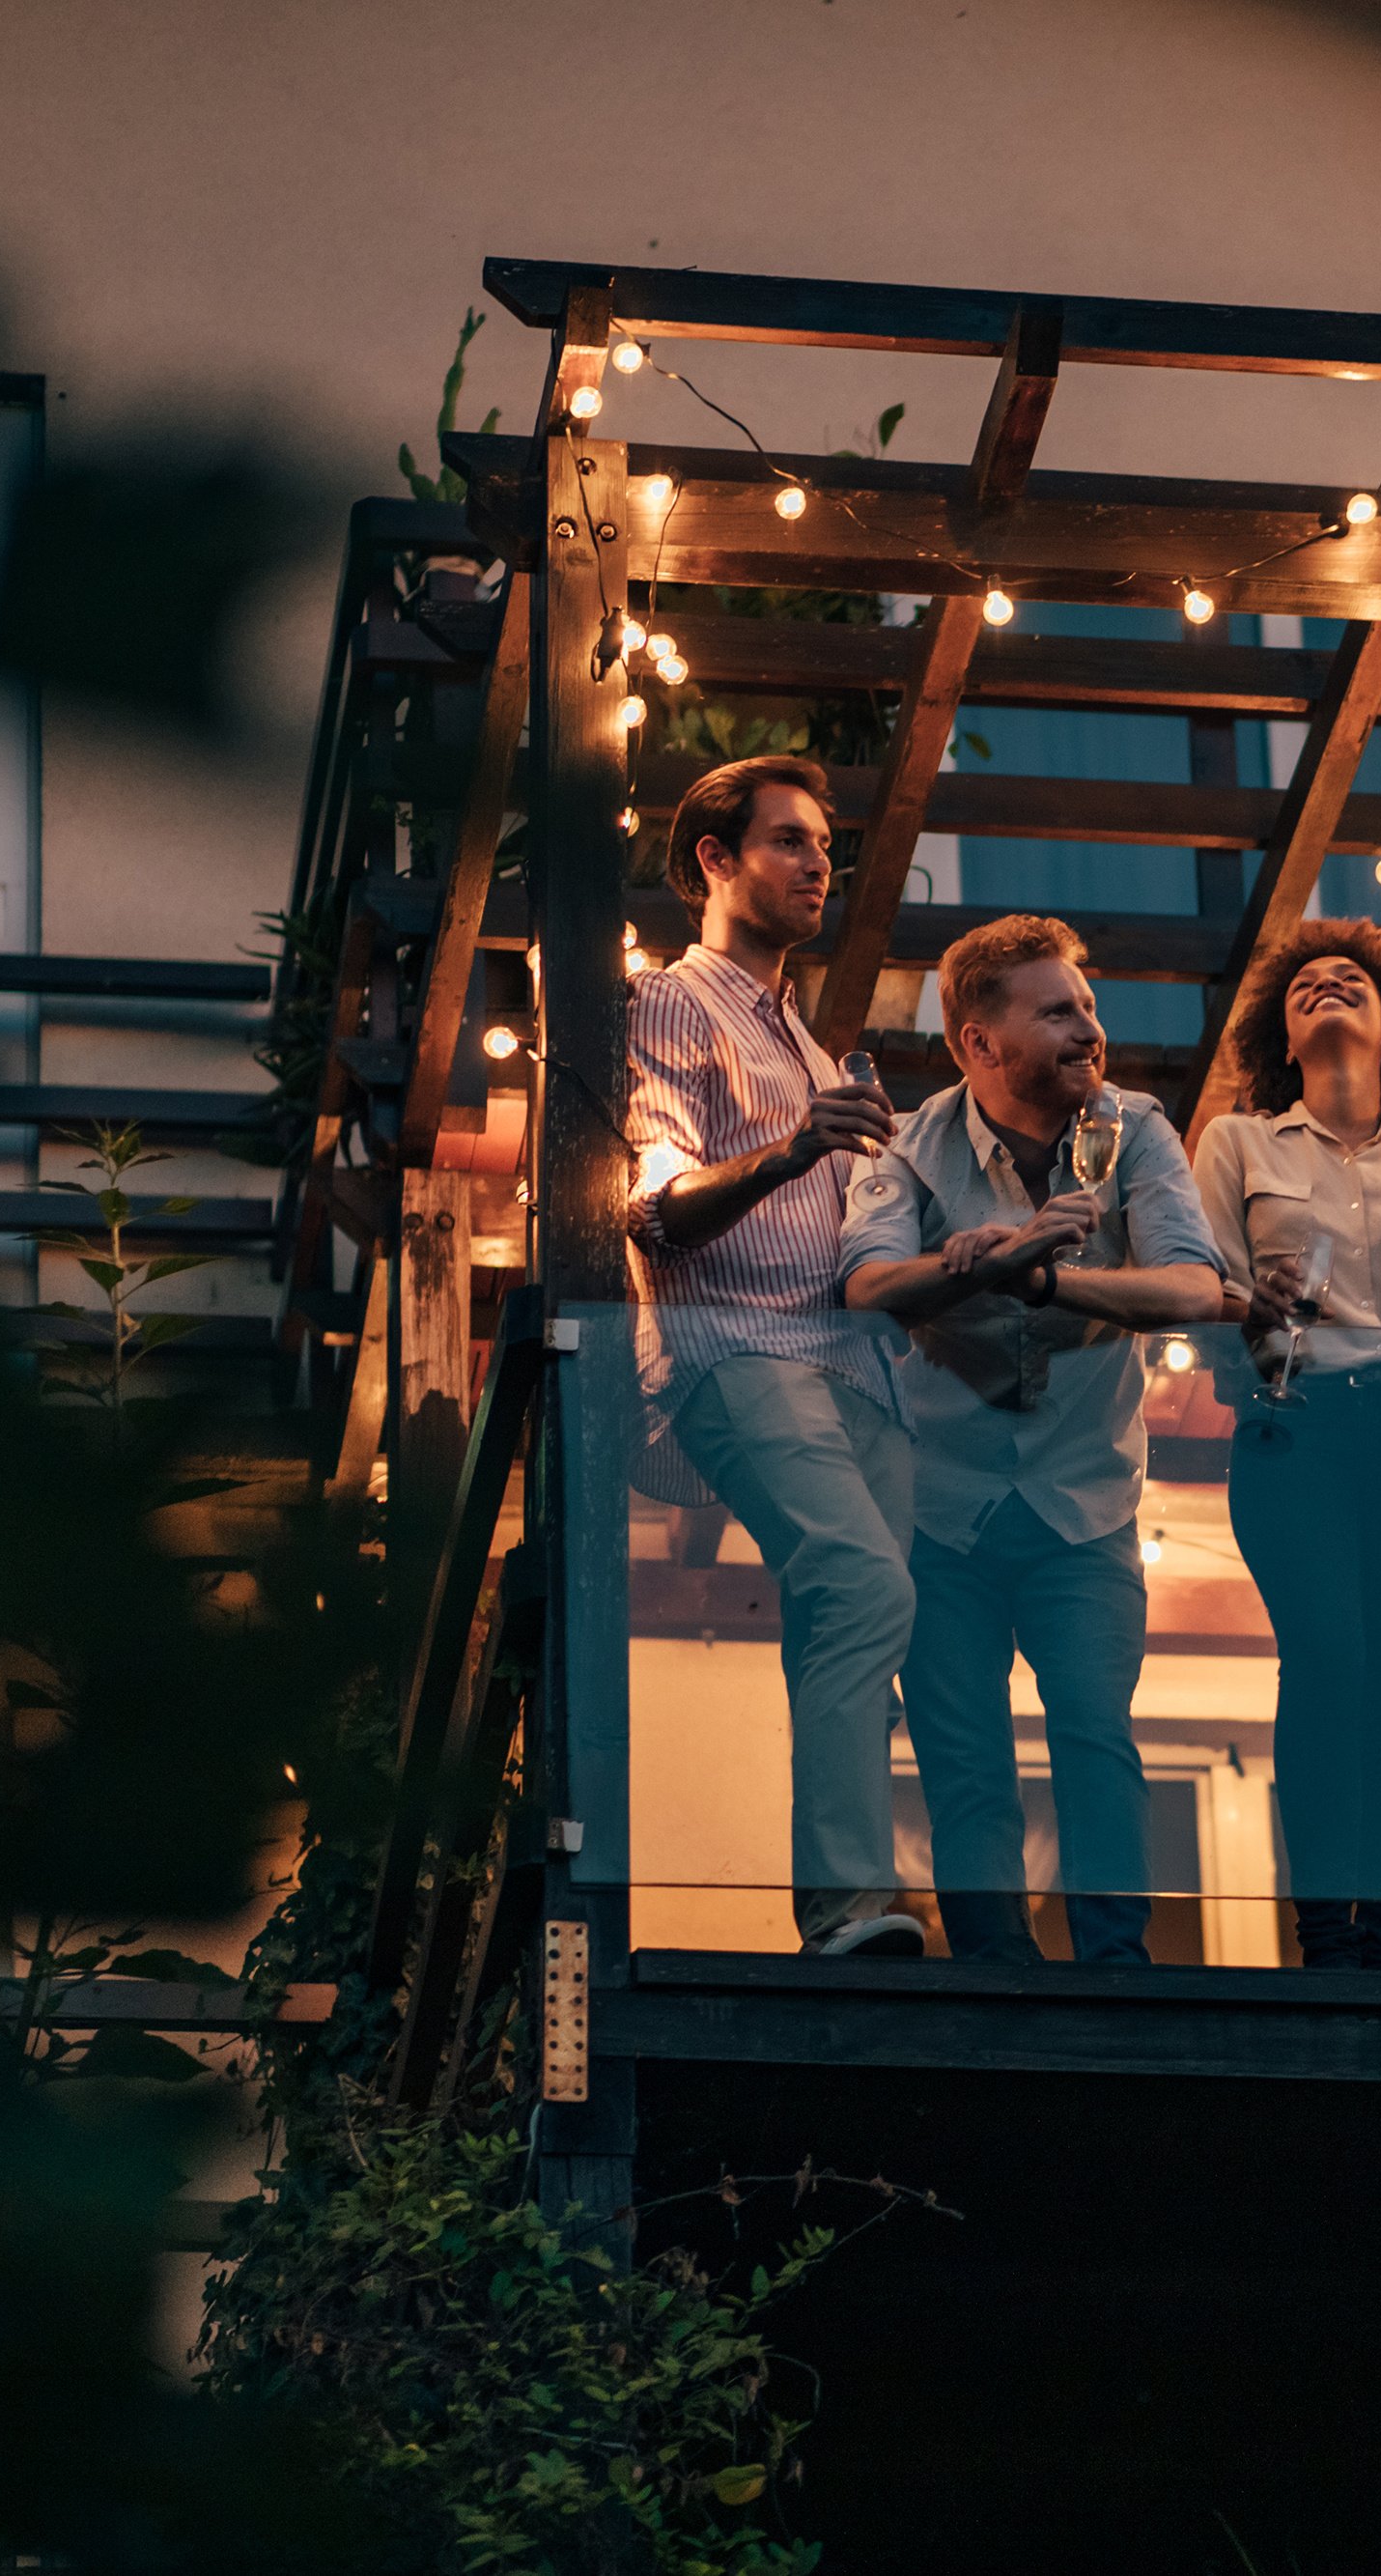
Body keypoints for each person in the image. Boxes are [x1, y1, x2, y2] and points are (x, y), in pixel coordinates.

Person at [839, 917, 1228, 1965]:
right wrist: (974, 1266)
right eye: (1057, 1011)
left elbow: (1195, 1286)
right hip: (936, 1515)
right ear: (978, 1043)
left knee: (1097, 1740)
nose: (1089, 1030)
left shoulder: (1135, 1128)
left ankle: (1117, 1971)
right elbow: (868, 1284)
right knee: (963, 1765)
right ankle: (992, 1975)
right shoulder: (906, 1147)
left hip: (1086, 1508)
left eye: (1088, 1007)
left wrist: (1047, 1276)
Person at [622, 754, 930, 1960]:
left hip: (856, 1371)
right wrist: (797, 1148)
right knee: (862, 1587)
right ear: (716, 858)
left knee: (853, 1623)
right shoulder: (670, 1003)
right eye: (792, 842)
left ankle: (848, 1914)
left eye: (823, 847)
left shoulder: (807, 1036)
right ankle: (852, 1902)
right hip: (735, 1347)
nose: (820, 866)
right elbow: (653, 1209)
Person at [1191, 920, 1381, 1971]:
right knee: (1324, 1662)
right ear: (1282, 1034)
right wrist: (1246, 1307)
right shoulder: (1236, 1144)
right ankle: (1324, 1941)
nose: (1326, 985)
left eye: (1352, 979)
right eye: (1305, 984)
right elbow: (1204, 1301)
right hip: (1295, 1432)